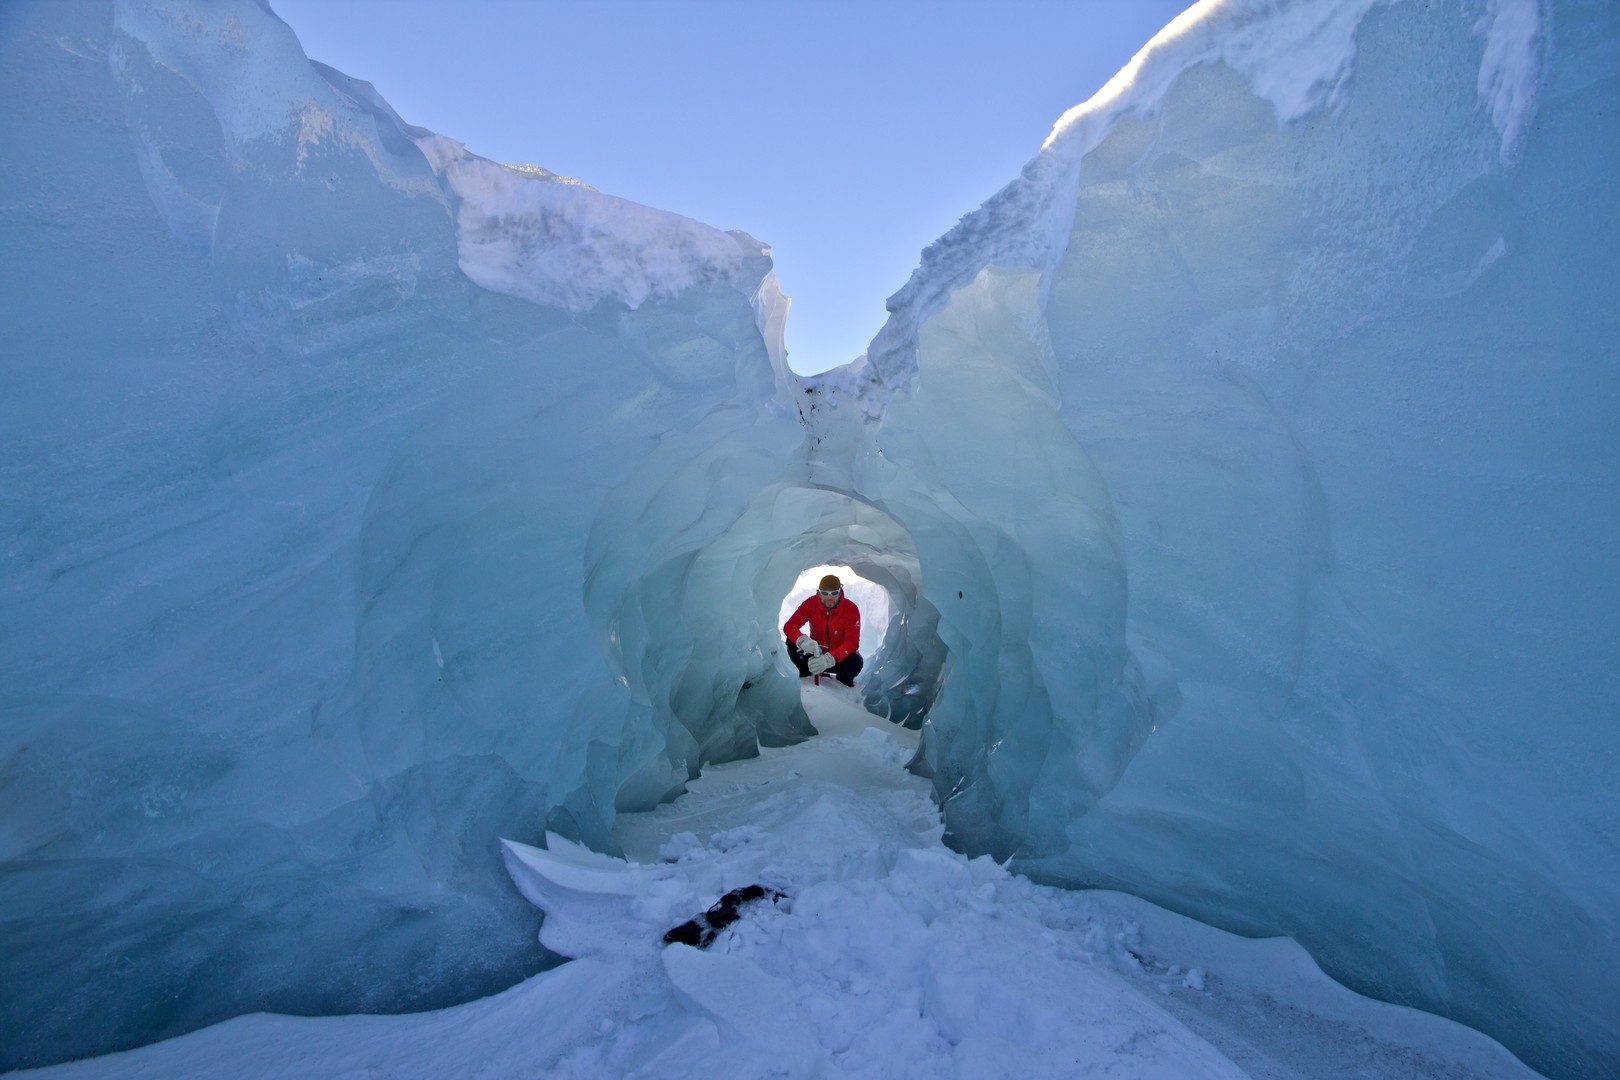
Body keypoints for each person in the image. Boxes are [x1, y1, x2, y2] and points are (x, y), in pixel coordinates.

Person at [783, 574, 863, 687]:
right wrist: (804, 641)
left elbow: (852, 642)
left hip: (838, 659)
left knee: (855, 661)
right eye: (825, 593)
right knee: (792, 641)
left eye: (834, 593)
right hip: (814, 655)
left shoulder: (850, 609)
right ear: (819, 593)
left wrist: (830, 658)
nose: (829, 597)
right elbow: (790, 626)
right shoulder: (811, 604)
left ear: (840, 592)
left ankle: (842, 686)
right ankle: (805, 677)